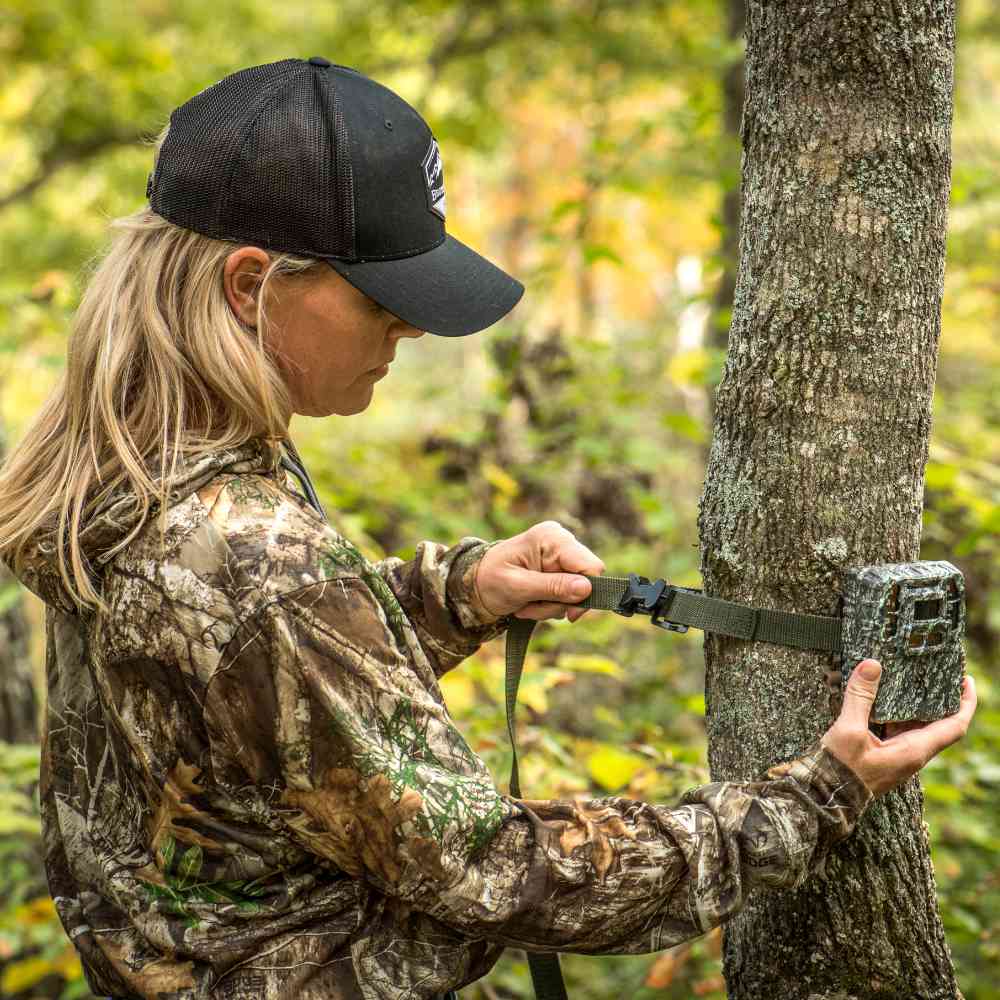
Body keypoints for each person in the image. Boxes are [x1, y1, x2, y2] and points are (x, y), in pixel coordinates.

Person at [0, 57, 976, 1000]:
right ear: (250, 286)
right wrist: (814, 795)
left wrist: (454, 593)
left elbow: (228, 690)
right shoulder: (260, 561)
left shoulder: (132, 478)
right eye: (382, 299)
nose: (412, 328)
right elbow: (500, 872)